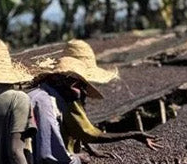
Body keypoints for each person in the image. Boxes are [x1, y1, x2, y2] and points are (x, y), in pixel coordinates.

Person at [30, 41, 159, 157]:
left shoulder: (53, 88)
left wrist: (90, 149)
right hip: (47, 161)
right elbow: (86, 132)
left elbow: (78, 125)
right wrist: (133, 134)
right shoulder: (61, 96)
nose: (81, 89)